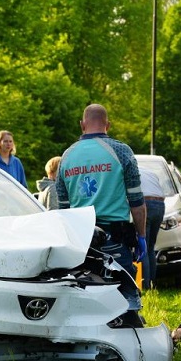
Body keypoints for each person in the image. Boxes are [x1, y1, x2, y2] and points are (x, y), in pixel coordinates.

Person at [56, 103, 147, 284]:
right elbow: (136, 202)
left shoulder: (66, 157)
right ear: (108, 125)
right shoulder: (121, 151)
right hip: (115, 240)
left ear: (82, 124)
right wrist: (142, 236)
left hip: (82, 242)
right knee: (124, 297)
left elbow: (63, 210)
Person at [137, 162, 165, 290]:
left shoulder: (131, 172)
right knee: (150, 247)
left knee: (143, 246)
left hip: (145, 203)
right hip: (160, 205)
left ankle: (145, 285)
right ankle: (152, 283)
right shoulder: (150, 172)